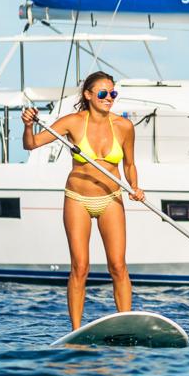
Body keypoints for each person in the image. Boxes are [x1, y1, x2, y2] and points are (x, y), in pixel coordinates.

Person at [21, 71, 144, 330]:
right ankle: (76, 330)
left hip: (111, 198)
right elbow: (31, 145)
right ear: (88, 95)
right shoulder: (72, 122)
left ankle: (126, 324)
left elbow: (130, 164)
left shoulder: (124, 127)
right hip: (77, 198)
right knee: (80, 266)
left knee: (118, 266)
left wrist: (135, 187)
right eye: (102, 93)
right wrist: (28, 125)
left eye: (112, 93)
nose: (108, 98)